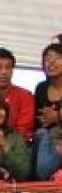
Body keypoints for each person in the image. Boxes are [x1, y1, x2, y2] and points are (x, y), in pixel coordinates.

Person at [33, 37, 62, 182]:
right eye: (47, 59)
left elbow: (52, 118)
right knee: (41, 133)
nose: (51, 62)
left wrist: (57, 115)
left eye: (57, 58)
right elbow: (40, 120)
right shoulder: (41, 88)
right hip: (48, 137)